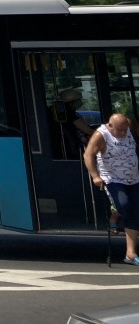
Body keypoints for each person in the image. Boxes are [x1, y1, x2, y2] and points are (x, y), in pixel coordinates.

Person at [84, 113, 139, 264]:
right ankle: (115, 213)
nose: (123, 133)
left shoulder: (129, 127)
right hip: (113, 179)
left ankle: (130, 254)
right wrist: (95, 176)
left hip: (134, 178)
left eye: (124, 130)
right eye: (119, 130)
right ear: (110, 126)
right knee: (124, 206)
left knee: (135, 210)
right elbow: (88, 155)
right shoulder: (101, 135)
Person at [51, 88, 95, 158]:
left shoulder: (62, 114)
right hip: (75, 151)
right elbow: (88, 131)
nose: (79, 102)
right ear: (71, 102)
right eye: (77, 101)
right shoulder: (69, 114)